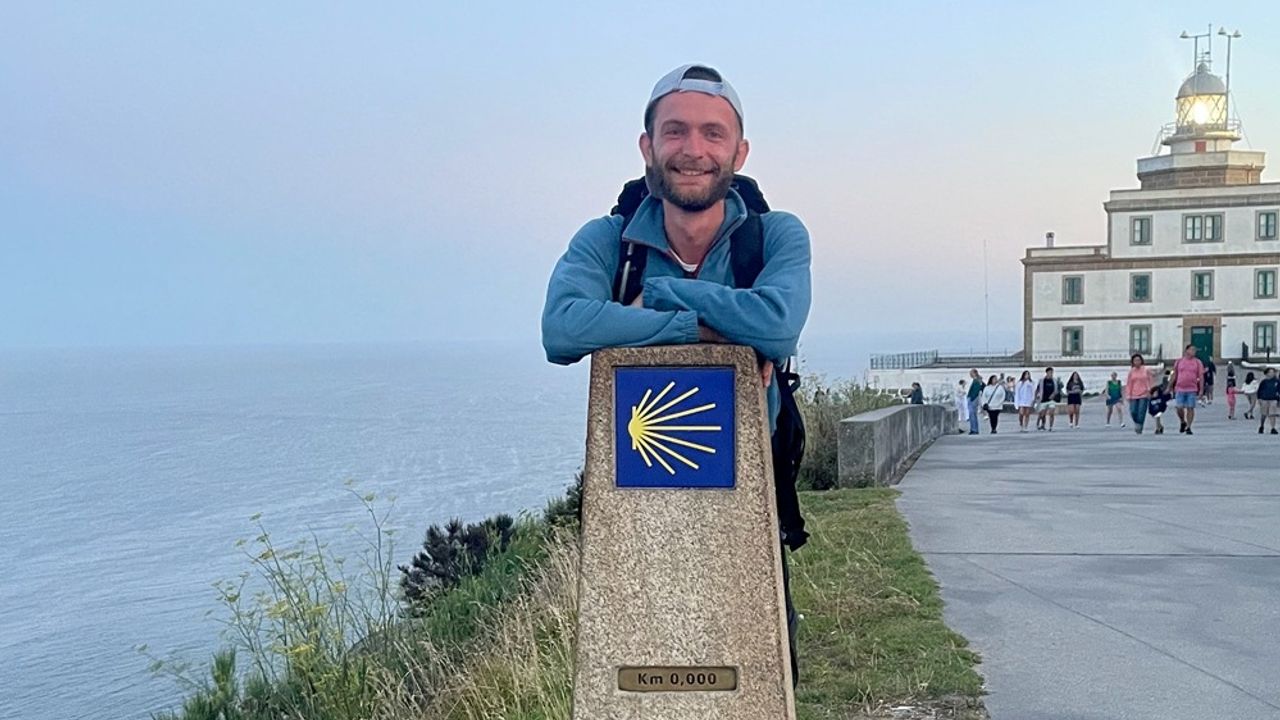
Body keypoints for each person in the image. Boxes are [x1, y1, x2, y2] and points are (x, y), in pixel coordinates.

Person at [541, 63, 812, 679]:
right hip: (636, 507)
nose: (694, 150)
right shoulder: (607, 242)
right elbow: (562, 329)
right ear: (648, 146)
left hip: (747, 504)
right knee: (638, 682)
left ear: (739, 151)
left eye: (714, 134)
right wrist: (709, 331)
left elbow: (777, 326)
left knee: (758, 681)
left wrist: (656, 302)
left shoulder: (774, 237)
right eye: (676, 131)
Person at [1171, 344, 1205, 434]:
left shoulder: (1198, 362)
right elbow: (1174, 374)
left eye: (1195, 350)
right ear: (1186, 350)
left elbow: (1201, 376)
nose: (1194, 351)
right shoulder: (1179, 361)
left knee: (1190, 407)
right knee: (1179, 407)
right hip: (1179, 388)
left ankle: (1189, 427)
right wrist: (1169, 386)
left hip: (1192, 388)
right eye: (1192, 349)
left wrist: (1201, 390)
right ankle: (1182, 421)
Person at [1125, 354, 1154, 434]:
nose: (1137, 362)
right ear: (1133, 362)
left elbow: (1150, 381)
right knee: (1133, 411)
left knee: (1141, 411)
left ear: (1141, 361)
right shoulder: (1131, 371)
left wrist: (1150, 391)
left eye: (1139, 360)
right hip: (1134, 394)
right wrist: (1128, 394)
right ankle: (1136, 422)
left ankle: (1140, 425)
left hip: (1144, 394)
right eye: (1135, 360)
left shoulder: (1146, 370)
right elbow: (1129, 383)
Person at [1257, 368, 1280, 435]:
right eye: (1270, 372)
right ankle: (1262, 426)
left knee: (1272, 414)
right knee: (1264, 414)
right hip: (1264, 399)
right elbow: (1259, 391)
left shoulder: (1277, 381)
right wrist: (1259, 399)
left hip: (1273, 399)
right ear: (1267, 374)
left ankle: (1273, 428)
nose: (1272, 374)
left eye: (1273, 372)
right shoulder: (1264, 382)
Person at [966, 369, 984, 435]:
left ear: (974, 373)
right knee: (973, 415)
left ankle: (974, 429)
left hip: (973, 399)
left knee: (972, 415)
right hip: (973, 398)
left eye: (971, 373)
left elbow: (976, 391)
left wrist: (971, 398)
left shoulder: (976, 381)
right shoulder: (978, 380)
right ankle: (974, 429)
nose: (970, 374)